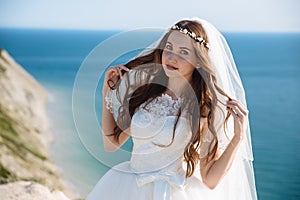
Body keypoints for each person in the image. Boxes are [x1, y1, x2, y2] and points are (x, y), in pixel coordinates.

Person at [87, 17, 257, 200]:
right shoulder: (146, 94)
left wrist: (237, 138)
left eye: (183, 52)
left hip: (172, 192)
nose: (171, 57)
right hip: (129, 187)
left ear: (198, 61)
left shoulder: (202, 110)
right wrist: (107, 93)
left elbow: (210, 180)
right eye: (168, 48)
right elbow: (111, 144)